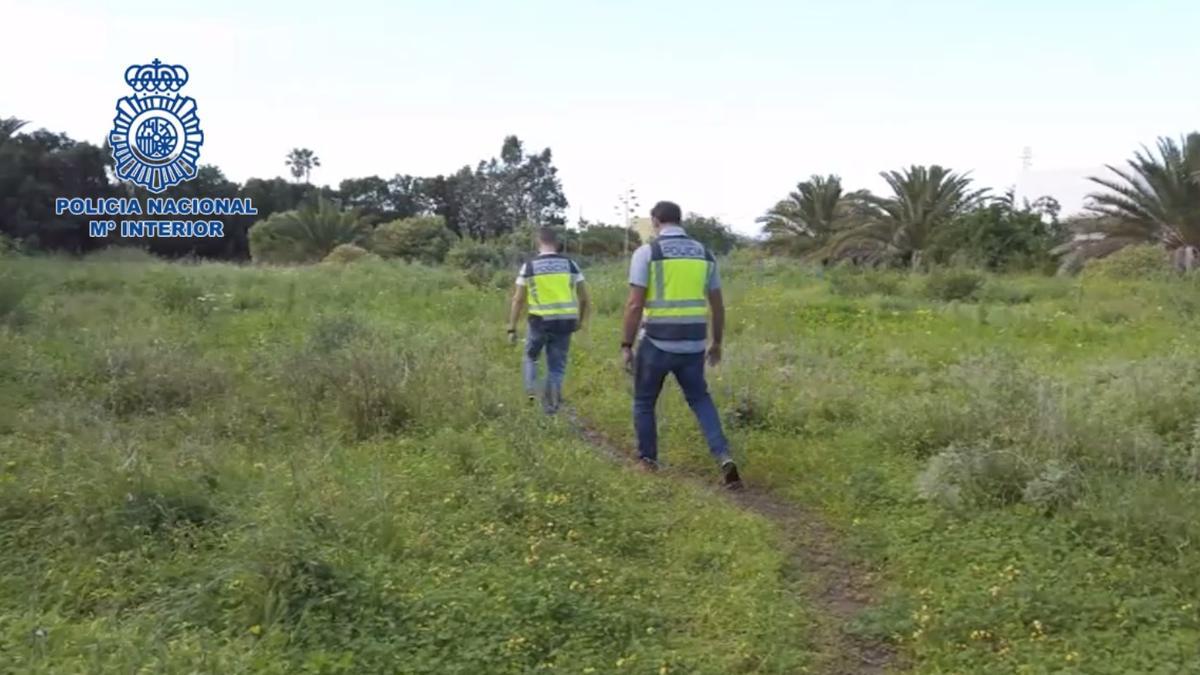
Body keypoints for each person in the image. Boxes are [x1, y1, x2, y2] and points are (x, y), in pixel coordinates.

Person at [619, 201, 741, 489]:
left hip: (657, 342)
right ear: (679, 220)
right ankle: (723, 455)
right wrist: (717, 342)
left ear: (656, 221)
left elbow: (635, 304)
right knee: (700, 399)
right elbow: (717, 305)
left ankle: (648, 462)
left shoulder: (647, 252)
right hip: (694, 343)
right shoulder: (704, 253)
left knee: (644, 401)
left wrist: (626, 344)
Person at [507, 227, 589, 414]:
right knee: (556, 367)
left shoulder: (529, 266)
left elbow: (518, 299)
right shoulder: (571, 265)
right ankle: (551, 409)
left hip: (539, 322)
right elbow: (584, 298)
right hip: (565, 322)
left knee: (531, 357)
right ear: (557, 243)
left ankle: (530, 394)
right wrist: (580, 321)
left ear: (538, 242)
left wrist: (511, 328)